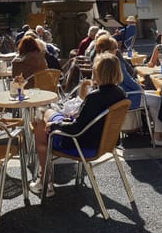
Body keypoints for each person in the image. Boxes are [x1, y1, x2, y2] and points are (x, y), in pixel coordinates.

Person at [30, 52, 126, 196]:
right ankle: (44, 180)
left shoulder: (94, 97)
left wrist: (56, 125)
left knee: (40, 123)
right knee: (46, 114)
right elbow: (89, 120)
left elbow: (76, 129)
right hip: (104, 142)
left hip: (80, 143)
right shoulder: (120, 94)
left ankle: (44, 181)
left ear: (98, 73)